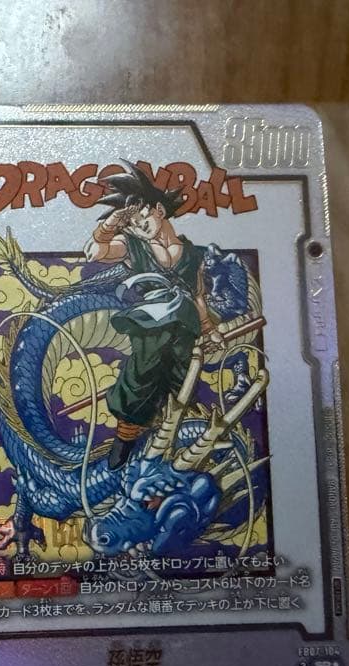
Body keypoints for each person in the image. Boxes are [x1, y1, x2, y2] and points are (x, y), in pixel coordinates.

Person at [84, 162, 223, 470]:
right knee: (140, 378)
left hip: (185, 327)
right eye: (131, 225)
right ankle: (125, 441)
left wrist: (208, 329)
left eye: (141, 219)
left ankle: (168, 444)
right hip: (151, 325)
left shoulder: (192, 254)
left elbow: (198, 295)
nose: (138, 227)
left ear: (159, 210)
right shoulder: (133, 246)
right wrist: (110, 225)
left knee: (181, 382)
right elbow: (95, 252)